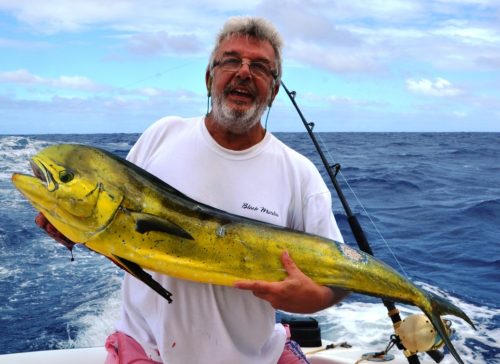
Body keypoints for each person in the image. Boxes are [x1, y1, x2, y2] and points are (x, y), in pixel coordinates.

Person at [36, 16, 349, 364]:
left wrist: (315, 299)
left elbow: (343, 276)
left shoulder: (300, 174)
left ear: (274, 91)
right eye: (231, 60)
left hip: (254, 356)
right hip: (147, 350)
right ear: (208, 77)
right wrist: (72, 229)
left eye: (261, 67)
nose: (244, 72)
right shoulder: (161, 136)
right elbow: (119, 231)